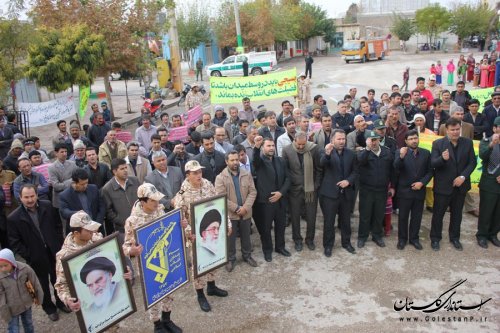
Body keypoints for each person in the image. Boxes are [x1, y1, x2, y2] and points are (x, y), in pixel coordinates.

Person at [173, 160, 230, 313]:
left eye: (200, 172)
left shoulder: (208, 184)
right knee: (198, 266)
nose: (199, 175)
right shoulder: (182, 194)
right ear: (187, 175)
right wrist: (190, 234)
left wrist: (227, 224)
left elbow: (219, 203)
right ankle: (200, 294)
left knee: (212, 258)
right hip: (195, 237)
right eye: (195, 173)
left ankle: (211, 286)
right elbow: (180, 220)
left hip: (212, 232)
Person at [7, 184, 69, 321]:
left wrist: (58, 244)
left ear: (36, 195)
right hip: (35, 257)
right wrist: (29, 255)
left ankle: (61, 302)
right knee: (41, 285)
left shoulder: (47, 206)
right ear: (20, 198)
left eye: (32, 196)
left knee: (57, 279)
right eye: (26, 197)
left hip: (53, 252)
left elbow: (58, 225)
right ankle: (49, 308)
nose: (30, 200)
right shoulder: (14, 218)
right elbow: (15, 242)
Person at [430, 118, 477, 251]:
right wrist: (442, 159)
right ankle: (435, 238)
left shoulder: (467, 143)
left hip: (460, 186)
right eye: (453, 130)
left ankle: (455, 238)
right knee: (438, 214)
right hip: (443, 186)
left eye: (457, 129)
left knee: (457, 214)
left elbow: (472, 163)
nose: (455, 132)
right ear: (447, 130)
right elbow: (433, 163)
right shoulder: (438, 144)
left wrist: (463, 176)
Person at [215, 150, 257, 271]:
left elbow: (253, 191)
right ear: (226, 161)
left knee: (246, 236)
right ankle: (231, 259)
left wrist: (245, 207)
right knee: (230, 238)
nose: (235, 162)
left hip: (246, 212)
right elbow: (220, 197)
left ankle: (247, 255)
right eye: (232, 160)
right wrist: (237, 208)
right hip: (230, 215)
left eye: (237, 160)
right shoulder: (220, 178)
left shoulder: (246, 174)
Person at [319, 129, 358, 256]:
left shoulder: (351, 154)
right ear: (332, 140)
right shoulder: (325, 152)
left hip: (346, 193)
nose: (342, 141)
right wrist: (327, 154)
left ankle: (346, 243)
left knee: (346, 221)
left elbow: (356, 172)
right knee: (329, 221)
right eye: (339, 139)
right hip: (330, 193)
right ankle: (328, 245)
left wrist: (349, 181)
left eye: (343, 139)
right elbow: (322, 164)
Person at [252, 136, 291, 262]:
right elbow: (255, 160)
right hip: (266, 202)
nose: (271, 148)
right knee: (266, 228)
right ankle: (267, 250)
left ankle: (280, 247)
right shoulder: (260, 162)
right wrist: (256, 148)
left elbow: (288, 179)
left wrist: (281, 193)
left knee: (281, 226)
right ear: (263, 148)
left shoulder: (280, 161)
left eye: (272, 145)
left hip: (280, 200)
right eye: (268, 146)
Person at [282, 132, 321, 252]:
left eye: (303, 145)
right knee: (295, 217)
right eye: (299, 144)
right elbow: (285, 170)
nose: (301, 147)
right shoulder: (287, 150)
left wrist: (315, 185)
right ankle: (297, 240)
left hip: (311, 190)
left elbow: (319, 169)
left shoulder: (314, 148)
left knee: (311, 216)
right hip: (294, 190)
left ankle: (310, 240)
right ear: (294, 140)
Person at [393, 130, 432, 250]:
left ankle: (414, 239)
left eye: (415, 138)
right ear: (406, 141)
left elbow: (430, 171)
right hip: (404, 191)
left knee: (417, 216)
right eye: (411, 139)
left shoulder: (426, 153)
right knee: (403, 217)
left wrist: (422, 183)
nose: (414, 140)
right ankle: (402, 239)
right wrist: (401, 157)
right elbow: (396, 168)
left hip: (419, 190)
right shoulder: (400, 152)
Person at [356, 130, 395, 249]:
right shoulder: (363, 153)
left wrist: (392, 186)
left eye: (376, 139)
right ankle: (362, 236)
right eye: (371, 140)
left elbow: (392, 171)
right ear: (367, 141)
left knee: (379, 214)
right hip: (367, 190)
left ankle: (377, 235)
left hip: (382, 189)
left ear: (379, 140)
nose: (374, 142)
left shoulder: (387, 152)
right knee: (365, 214)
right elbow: (360, 162)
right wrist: (367, 149)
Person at [0, 248, 43, 333]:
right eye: (0, 266)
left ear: (12, 262)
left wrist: (38, 297)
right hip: (12, 309)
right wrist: (4, 310)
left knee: (28, 324)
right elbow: (0, 295)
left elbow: (34, 282)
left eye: (5, 265)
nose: (3, 269)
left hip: (26, 304)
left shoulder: (25, 268)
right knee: (13, 329)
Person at [102, 158, 140, 239]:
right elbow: (109, 211)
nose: (125, 170)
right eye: (122, 169)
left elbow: (142, 199)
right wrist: (121, 221)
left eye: (126, 168)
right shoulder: (107, 189)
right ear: (114, 171)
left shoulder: (135, 181)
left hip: (140, 223)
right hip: (123, 229)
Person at [476, 116, 500, 248]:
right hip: (489, 183)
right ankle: (482, 235)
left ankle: (493, 234)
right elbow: (483, 156)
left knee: (498, 213)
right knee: (486, 210)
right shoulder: (486, 141)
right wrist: (492, 145)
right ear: (494, 128)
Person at [59, 168, 105, 234]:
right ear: (74, 183)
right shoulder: (64, 195)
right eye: (82, 184)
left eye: (86, 183)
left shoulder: (93, 189)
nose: (85, 186)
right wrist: (76, 213)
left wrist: (97, 224)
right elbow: (64, 212)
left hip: (96, 229)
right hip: (80, 233)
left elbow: (102, 207)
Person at [48, 143, 78, 214]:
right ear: (56, 153)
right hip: (60, 199)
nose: (64, 154)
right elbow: (56, 186)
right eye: (62, 152)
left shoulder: (72, 164)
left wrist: (64, 183)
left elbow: (78, 178)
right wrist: (71, 181)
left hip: (73, 195)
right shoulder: (52, 168)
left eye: (65, 152)